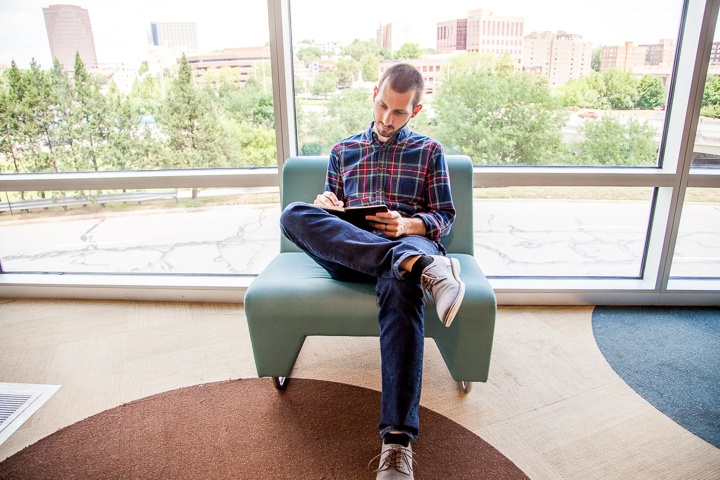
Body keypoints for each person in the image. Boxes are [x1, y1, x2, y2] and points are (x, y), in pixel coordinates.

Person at [279, 63, 464, 479]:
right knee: (294, 214)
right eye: (382, 106)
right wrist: (327, 206)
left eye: (398, 112)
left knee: (400, 285)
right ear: (373, 94)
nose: (386, 119)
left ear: (414, 112)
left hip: (411, 241)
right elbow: (333, 215)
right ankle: (421, 270)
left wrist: (407, 225)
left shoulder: (429, 152)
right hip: (355, 252)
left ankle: (397, 443)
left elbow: (444, 217)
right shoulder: (343, 150)